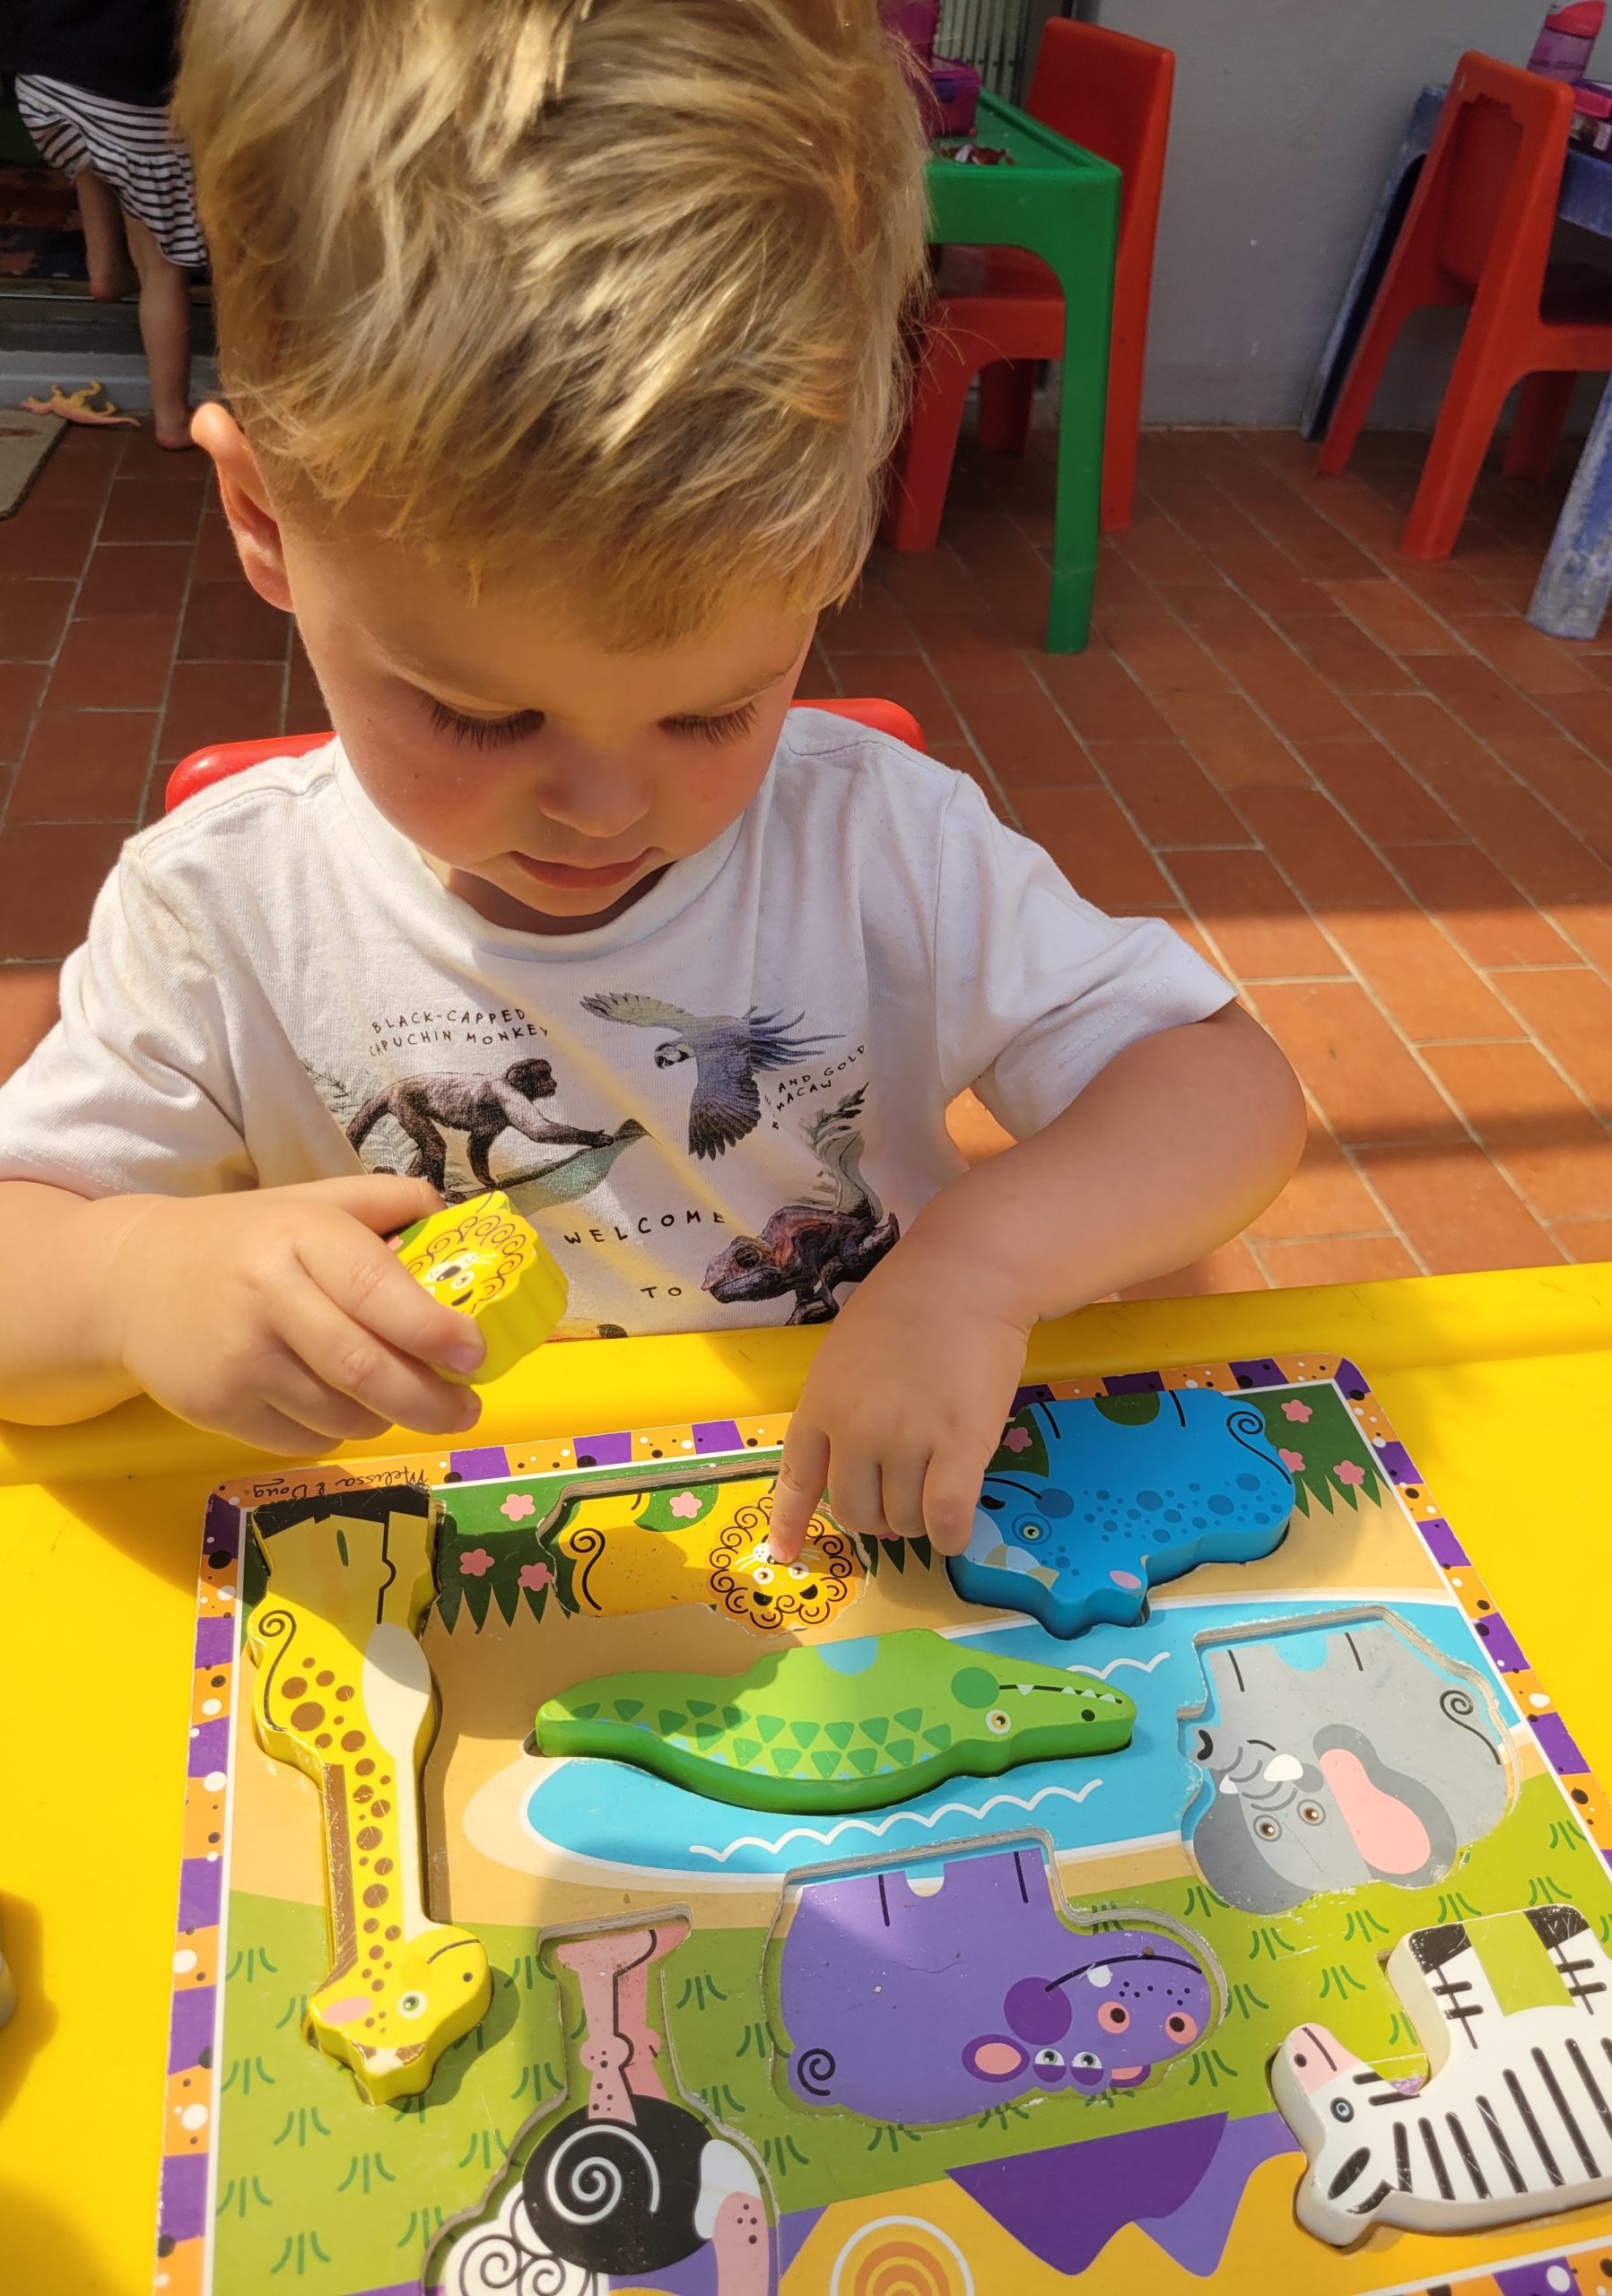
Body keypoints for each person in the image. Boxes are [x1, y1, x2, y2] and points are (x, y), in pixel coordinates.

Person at [0, 0, 1304, 1563]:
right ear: (267, 520)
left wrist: (983, 1264)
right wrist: (131, 1283)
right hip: (436, 1579)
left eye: (712, 712)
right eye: (484, 717)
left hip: (842, 1552)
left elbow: (1222, 1089)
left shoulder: (877, 846)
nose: (608, 808)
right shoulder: (221, 914)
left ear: (830, 547)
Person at [13, 0, 203, 449]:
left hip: (43, 85)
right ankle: (173, 422)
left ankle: (106, 274)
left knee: (95, 154)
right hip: (131, 97)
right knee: (162, 269)